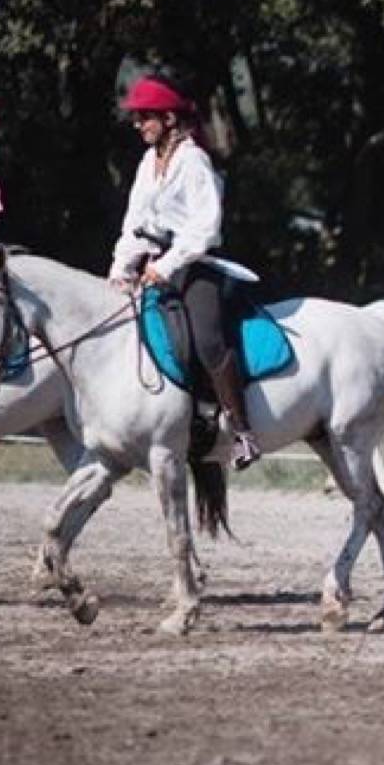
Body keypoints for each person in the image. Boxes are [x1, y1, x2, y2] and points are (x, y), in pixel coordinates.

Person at [108, 75, 262, 470]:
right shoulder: (148, 162)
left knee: (207, 338)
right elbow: (134, 223)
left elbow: (204, 228)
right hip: (154, 265)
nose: (137, 124)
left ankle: (242, 432)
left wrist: (165, 265)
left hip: (197, 265)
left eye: (145, 117)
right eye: (137, 117)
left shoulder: (194, 161)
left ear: (169, 119)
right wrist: (120, 267)